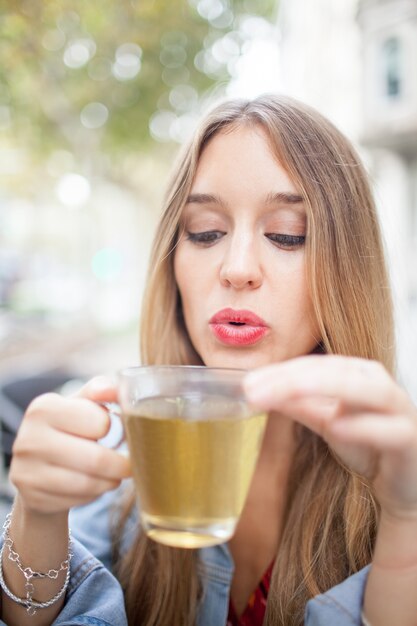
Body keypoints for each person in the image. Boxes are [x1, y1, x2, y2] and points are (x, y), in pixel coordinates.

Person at [1, 94, 417, 626]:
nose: (237, 267)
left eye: (288, 234)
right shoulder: (111, 459)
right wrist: (35, 513)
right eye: (206, 232)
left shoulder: (399, 474)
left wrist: (405, 517)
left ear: (346, 271)